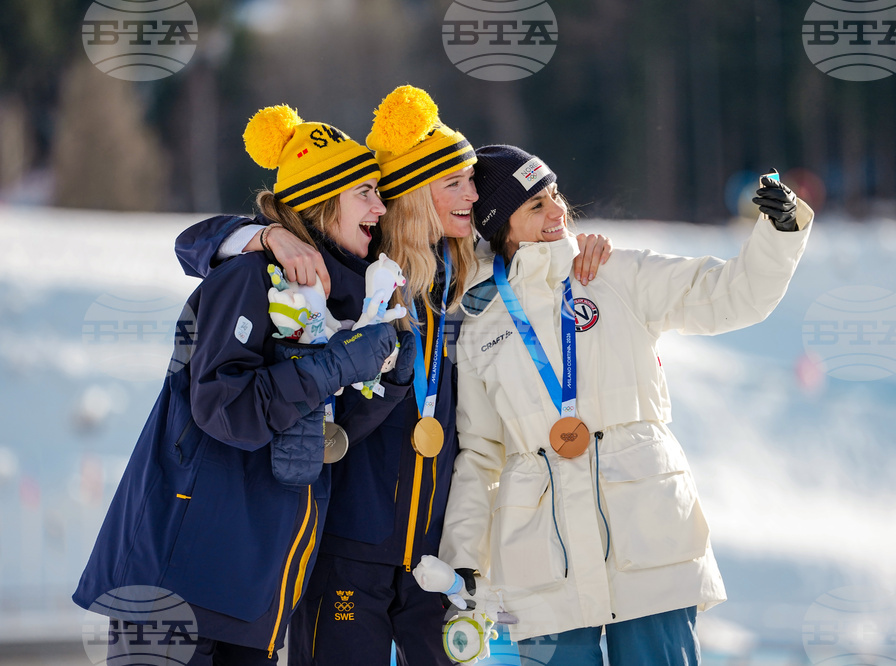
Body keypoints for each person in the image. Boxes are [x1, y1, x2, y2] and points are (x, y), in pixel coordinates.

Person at [179, 87, 612, 666]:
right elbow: (196, 243)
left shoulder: (473, 276)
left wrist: (586, 250)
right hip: (347, 546)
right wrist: (267, 234)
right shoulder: (349, 267)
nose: (472, 194)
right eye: (453, 182)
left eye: (471, 181)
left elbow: (535, 242)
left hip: (433, 559)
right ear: (411, 193)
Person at [438, 145, 814, 666]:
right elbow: (479, 456)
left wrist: (780, 231)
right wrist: (463, 560)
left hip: (648, 548)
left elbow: (733, 294)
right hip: (543, 567)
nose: (557, 212)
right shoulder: (480, 321)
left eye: (555, 195)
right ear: (503, 226)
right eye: (536, 206)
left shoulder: (615, 273)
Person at [72, 105, 402, 664]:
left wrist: (390, 376)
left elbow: (328, 435)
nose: (380, 206)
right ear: (324, 201)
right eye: (365, 192)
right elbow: (226, 409)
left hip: (257, 589)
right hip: (180, 580)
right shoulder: (248, 278)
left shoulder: (345, 304)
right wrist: (337, 366)